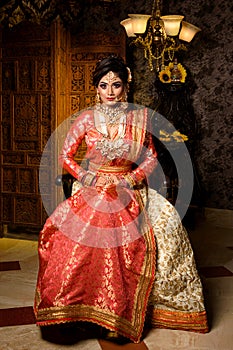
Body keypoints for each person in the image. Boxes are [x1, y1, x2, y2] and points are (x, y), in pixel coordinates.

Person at [34, 55, 209, 344]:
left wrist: (130, 178)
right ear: (96, 89)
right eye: (104, 85)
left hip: (129, 186)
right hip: (94, 187)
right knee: (70, 238)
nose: (110, 91)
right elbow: (65, 156)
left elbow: (151, 157)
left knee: (164, 229)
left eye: (117, 84)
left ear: (126, 87)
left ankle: (121, 313)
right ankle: (81, 311)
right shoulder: (86, 119)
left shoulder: (139, 118)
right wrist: (88, 177)